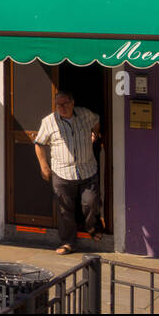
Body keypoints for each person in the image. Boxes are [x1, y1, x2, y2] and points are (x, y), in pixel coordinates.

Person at [34, 91, 102, 254]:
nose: (62, 108)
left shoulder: (85, 114)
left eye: (65, 104)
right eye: (59, 105)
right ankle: (68, 242)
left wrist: (95, 133)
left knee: (90, 202)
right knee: (65, 210)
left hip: (87, 170)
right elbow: (39, 143)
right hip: (62, 172)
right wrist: (43, 166)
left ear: (73, 103)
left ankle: (92, 227)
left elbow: (97, 120)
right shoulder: (49, 122)